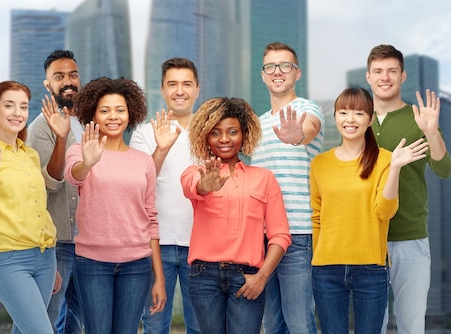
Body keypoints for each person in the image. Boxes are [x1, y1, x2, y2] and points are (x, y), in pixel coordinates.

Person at [310, 88, 429, 333]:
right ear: (335, 117)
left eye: (358, 113)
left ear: (370, 119)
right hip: (326, 269)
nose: (350, 119)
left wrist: (395, 168)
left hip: (370, 269)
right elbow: (317, 217)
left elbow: (385, 212)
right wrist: (318, 259)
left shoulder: (385, 159)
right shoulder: (319, 164)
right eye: (343, 112)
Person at [64, 77, 167, 333]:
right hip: (92, 262)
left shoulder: (143, 161)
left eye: (120, 110)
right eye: (105, 110)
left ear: (130, 114)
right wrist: (89, 162)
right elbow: (73, 175)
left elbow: (151, 219)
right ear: (93, 115)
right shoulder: (80, 151)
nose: (113, 116)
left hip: (137, 264)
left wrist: (160, 278)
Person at [181, 97, 292, 334]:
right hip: (204, 277)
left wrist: (262, 277)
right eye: (216, 133)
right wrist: (205, 185)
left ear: (244, 135)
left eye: (232, 132)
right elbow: (192, 186)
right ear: (205, 137)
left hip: (248, 278)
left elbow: (280, 235)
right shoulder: (196, 172)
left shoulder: (264, 178)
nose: (224, 139)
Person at [364, 44, 451, 334]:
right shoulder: (355, 120)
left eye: (392, 71)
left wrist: (430, 132)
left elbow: (444, 170)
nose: (385, 77)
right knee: (370, 325)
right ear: (369, 77)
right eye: (378, 71)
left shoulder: (419, 119)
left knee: (411, 326)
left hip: (410, 238)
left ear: (403, 76)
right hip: (365, 239)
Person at [0, 81, 61, 334]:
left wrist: (52, 262)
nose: (17, 113)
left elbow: (38, 209)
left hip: (45, 258)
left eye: (23, 107)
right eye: (9, 105)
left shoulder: (30, 155)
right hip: (10, 260)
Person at [249, 41, 324, 334]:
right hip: (262, 236)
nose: (277, 71)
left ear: (297, 73)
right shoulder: (255, 124)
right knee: (272, 324)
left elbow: (310, 129)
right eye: (270, 66)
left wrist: (297, 135)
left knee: (300, 323)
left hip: (297, 233)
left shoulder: (306, 108)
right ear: (263, 75)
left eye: (285, 66)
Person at [129, 57, 201, 334]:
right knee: (155, 327)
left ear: (197, 89)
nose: (179, 90)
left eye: (186, 84)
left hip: (201, 246)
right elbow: (137, 183)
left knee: (201, 326)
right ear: (162, 89)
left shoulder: (210, 133)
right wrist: (160, 149)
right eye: (172, 84)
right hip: (154, 246)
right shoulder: (144, 133)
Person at [26, 49, 83, 334]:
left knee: (75, 322)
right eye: (59, 76)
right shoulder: (39, 128)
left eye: (73, 75)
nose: (68, 81)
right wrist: (60, 139)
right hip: (57, 243)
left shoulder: (89, 123)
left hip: (88, 243)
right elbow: (51, 182)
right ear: (48, 84)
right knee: (46, 320)